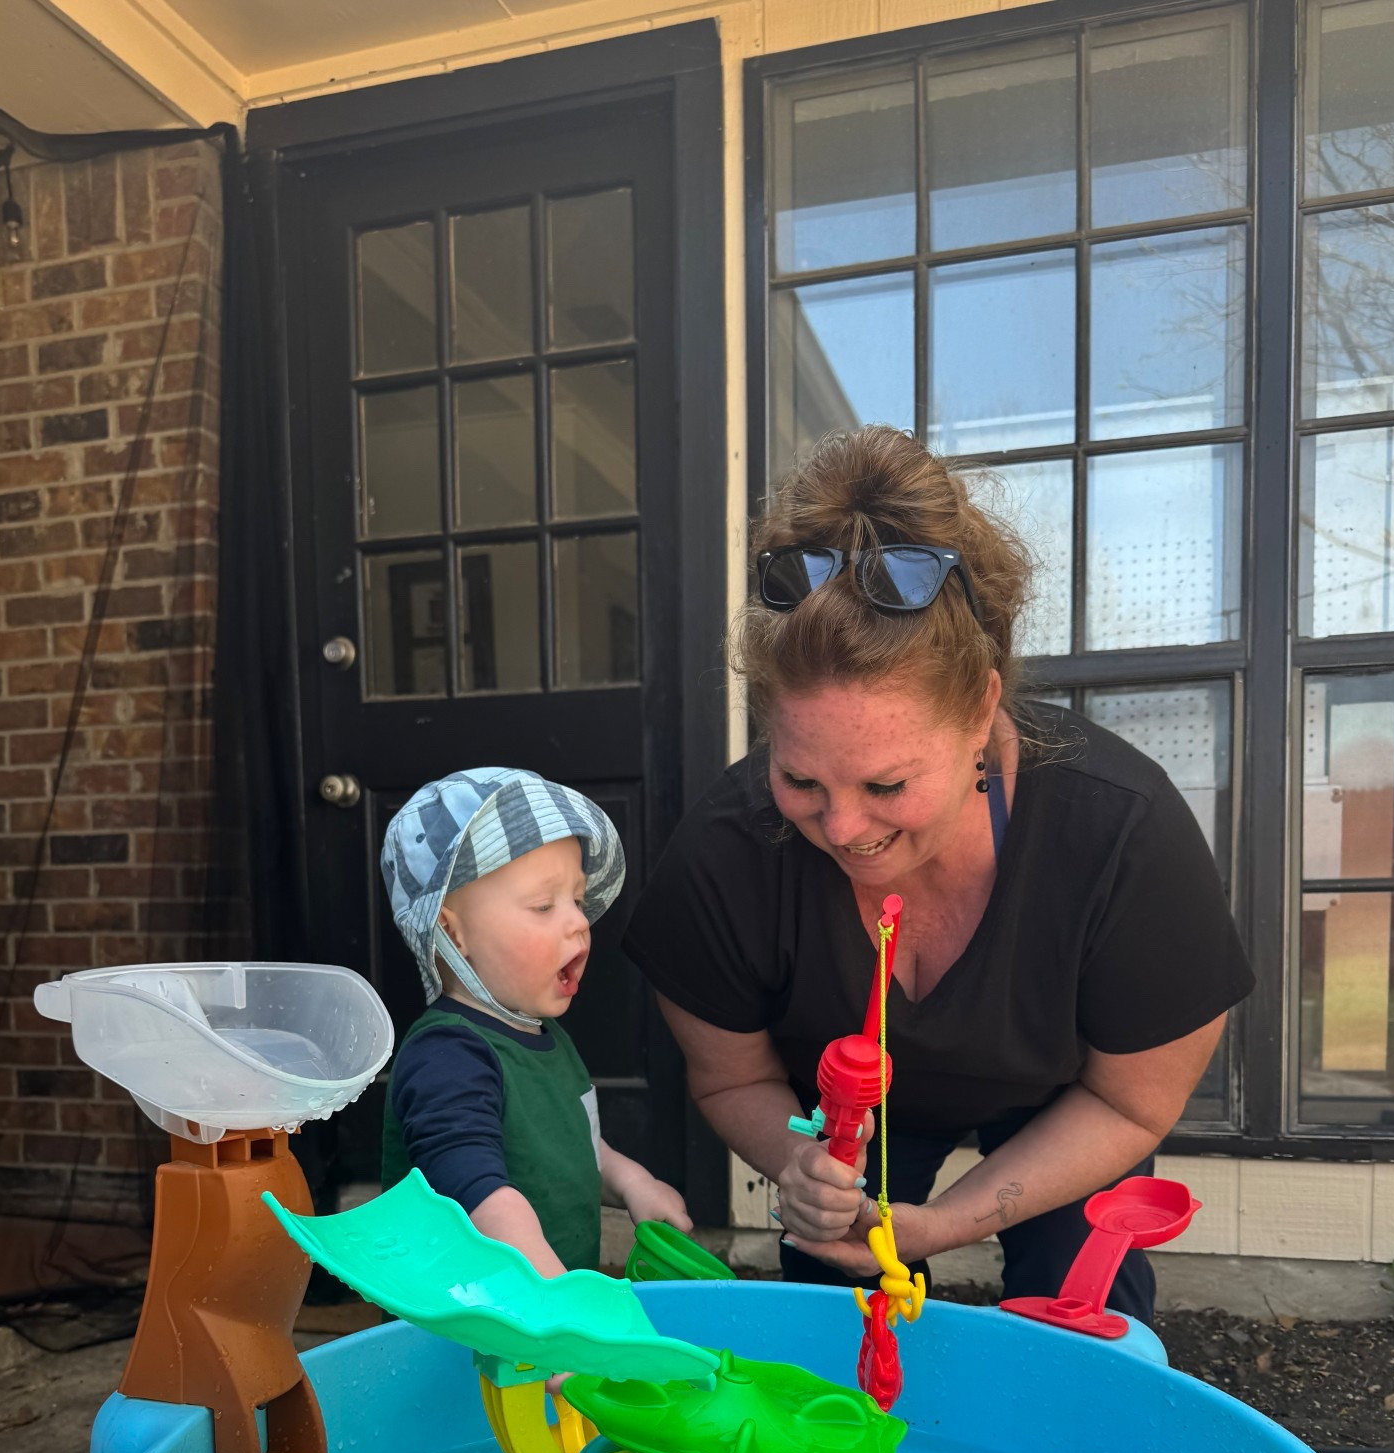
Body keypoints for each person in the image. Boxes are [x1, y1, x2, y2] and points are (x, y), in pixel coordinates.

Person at [623, 427, 1253, 1321]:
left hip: (1064, 1102)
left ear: (983, 711)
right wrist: (798, 1164)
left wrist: (948, 1224)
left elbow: (1128, 1104)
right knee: (835, 1312)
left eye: (887, 783)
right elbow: (730, 1080)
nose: (841, 827)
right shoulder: (727, 853)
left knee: (1078, 1311)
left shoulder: (1121, 833)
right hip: (847, 1121)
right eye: (800, 778)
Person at [380, 767, 691, 1276]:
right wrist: (551, 1294)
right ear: (453, 935)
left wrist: (631, 1181)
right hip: (468, 1328)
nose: (577, 921)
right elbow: (475, 1188)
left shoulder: (544, 1039)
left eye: (577, 898)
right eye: (544, 905)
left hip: (539, 1330)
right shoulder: (448, 1056)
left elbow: (571, 1149)